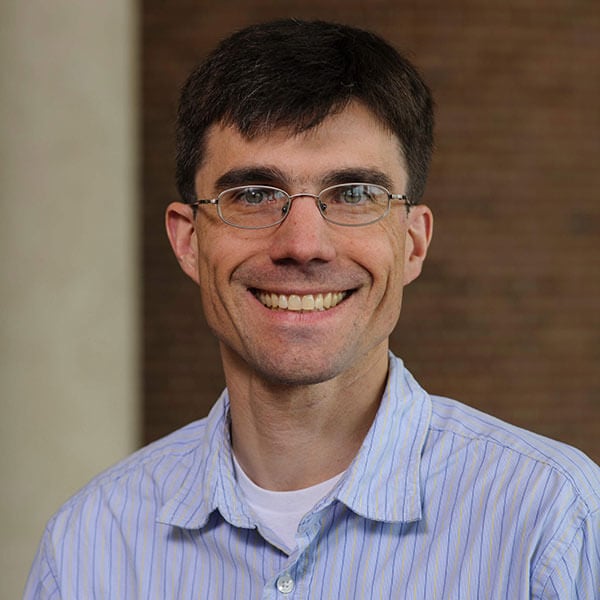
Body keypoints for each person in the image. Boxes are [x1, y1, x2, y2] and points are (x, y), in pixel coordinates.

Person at [25, 19, 600, 599]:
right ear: (188, 240)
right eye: (252, 195)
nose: (303, 245)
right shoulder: (89, 544)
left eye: (353, 195)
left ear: (412, 242)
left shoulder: (551, 522)